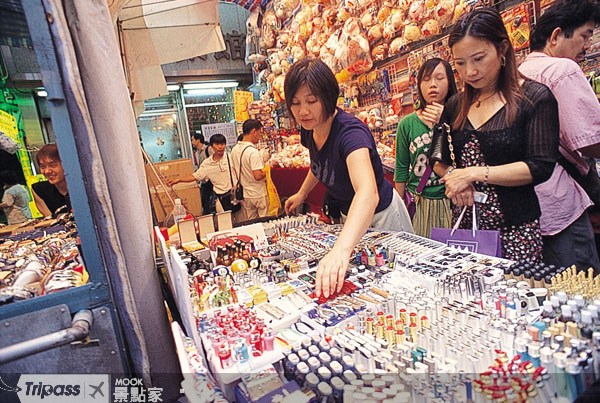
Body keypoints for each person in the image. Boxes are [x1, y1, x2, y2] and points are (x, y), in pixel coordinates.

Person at [429, 7, 560, 263]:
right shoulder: (455, 105)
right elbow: (437, 158)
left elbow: (541, 166)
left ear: (502, 50)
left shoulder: (534, 98)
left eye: (479, 58)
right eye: (460, 63)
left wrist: (474, 173)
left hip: (517, 230)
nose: (470, 72)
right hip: (467, 228)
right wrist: (456, 179)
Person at [283, 58, 413, 298]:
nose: (303, 111)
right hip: (350, 216)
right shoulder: (309, 129)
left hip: (382, 217)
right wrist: (302, 193)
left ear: (328, 97)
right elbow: (319, 163)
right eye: (296, 103)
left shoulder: (351, 134)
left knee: (397, 285)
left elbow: (368, 193)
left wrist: (341, 250)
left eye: (311, 101)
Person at [519, 0, 600, 272]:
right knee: (583, 294)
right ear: (555, 36)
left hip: (529, 208)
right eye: (585, 35)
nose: (587, 46)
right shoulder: (561, 70)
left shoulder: (518, 73)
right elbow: (590, 140)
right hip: (560, 205)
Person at [394, 58, 458, 238]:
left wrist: (445, 120)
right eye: (427, 79)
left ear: (450, 81)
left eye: (440, 78)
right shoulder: (407, 124)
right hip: (420, 200)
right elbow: (401, 169)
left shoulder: (459, 117)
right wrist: (400, 210)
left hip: (452, 200)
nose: (433, 85)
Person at [169, 134, 235, 214]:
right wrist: (179, 180)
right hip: (220, 200)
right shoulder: (207, 163)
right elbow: (196, 176)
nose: (220, 147)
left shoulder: (231, 157)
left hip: (235, 196)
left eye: (222, 144)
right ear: (212, 146)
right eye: (217, 144)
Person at [230, 119, 269, 222]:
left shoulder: (234, 150)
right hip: (258, 193)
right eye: (260, 133)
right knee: (265, 222)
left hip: (246, 194)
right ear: (254, 132)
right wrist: (268, 169)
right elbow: (257, 175)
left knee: (252, 223)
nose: (260, 137)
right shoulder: (252, 152)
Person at [31, 144, 71, 217]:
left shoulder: (80, 188)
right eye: (42, 167)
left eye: (53, 165)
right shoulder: (39, 190)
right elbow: (52, 221)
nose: (47, 171)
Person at [191, 132, 216, 214]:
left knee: (206, 198)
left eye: (193, 140)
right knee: (205, 199)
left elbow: (215, 162)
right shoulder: (197, 153)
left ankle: (210, 215)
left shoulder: (208, 149)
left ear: (198, 140)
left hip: (211, 179)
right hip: (205, 180)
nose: (192, 142)